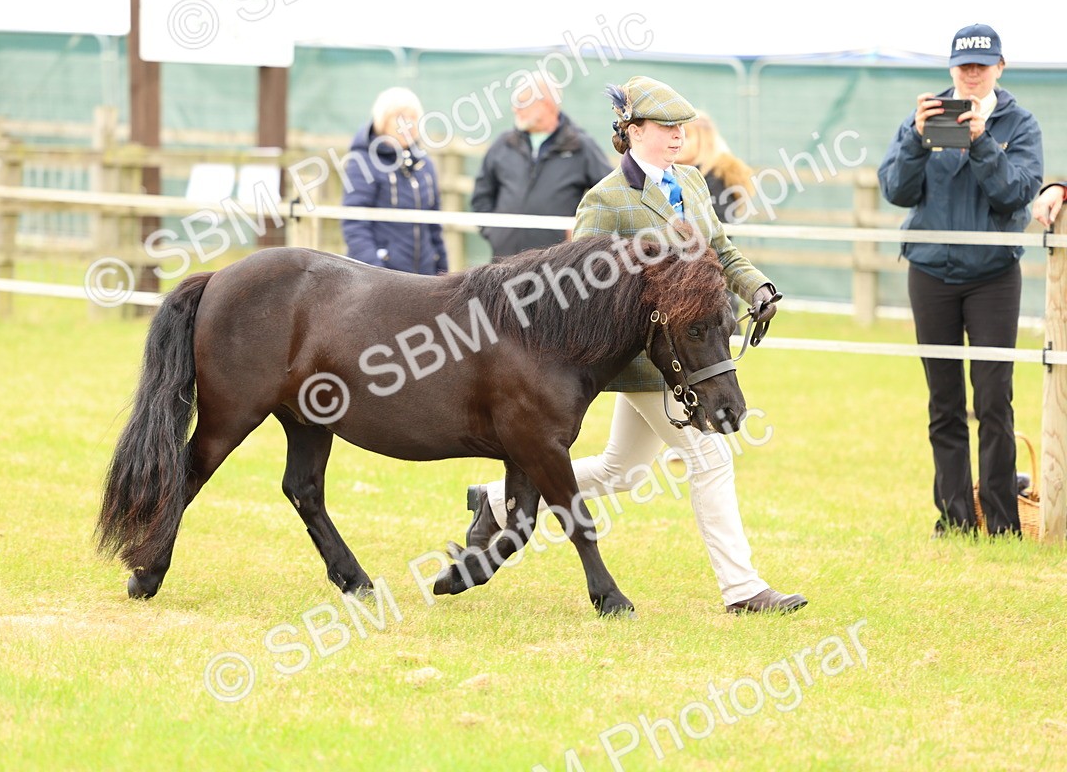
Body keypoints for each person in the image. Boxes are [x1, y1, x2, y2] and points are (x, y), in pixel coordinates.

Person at [462, 75, 807, 615]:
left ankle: (496, 501)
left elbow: (721, 250)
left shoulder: (691, 181)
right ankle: (743, 591)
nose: (677, 136)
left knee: (623, 471)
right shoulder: (605, 200)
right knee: (711, 456)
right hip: (648, 363)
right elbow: (577, 287)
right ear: (633, 131)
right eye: (665, 128)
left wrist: (758, 287)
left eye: (681, 127)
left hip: (687, 356)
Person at [877, 24, 1044, 537]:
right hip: (930, 272)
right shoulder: (925, 117)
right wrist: (913, 138)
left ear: (1000, 68)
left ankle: (1000, 519)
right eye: (963, 66)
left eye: (982, 66)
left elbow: (1016, 193)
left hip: (993, 275)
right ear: (951, 68)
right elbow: (896, 190)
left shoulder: (1019, 123)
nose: (972, 75)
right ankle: (954, 518)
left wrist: (980, 142)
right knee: (943, 400)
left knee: (994, 399)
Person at [470, 72, 612, 259]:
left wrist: (581, 233)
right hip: (502, 267)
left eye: (521, 102)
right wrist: (495, 232)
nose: (514, 109)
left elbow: (609, 196)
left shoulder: (581, 146)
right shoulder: (503, 145)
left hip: (556, 268)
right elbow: (481, 196)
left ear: (545, 105)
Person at [341, 87, 447, 275]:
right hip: (383, 278)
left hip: (424, 277)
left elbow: (434, 226)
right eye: (399, 117)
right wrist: (375, 270)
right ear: (382, 122)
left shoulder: (425, 165)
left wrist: (442, 270)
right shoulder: (363, 163)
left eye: (413, 117)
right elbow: (354, 223)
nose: (407, 124)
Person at [675, 110, 757, 325]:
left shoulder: (714, 182)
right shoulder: (686, 177)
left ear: (704, 140)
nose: (679, 141)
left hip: (709, 285)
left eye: (687, 135)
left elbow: (713, 240)